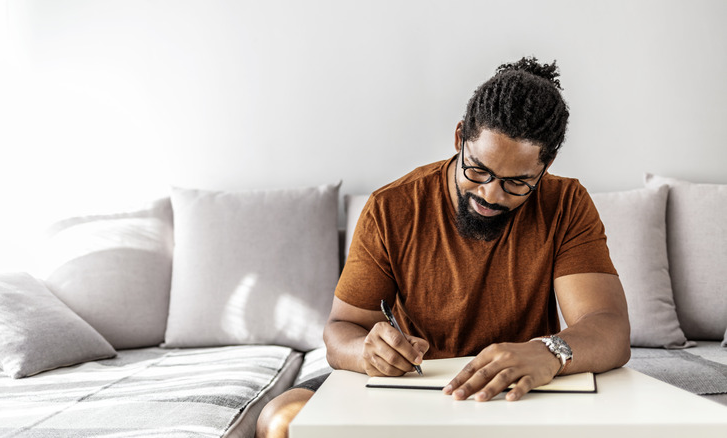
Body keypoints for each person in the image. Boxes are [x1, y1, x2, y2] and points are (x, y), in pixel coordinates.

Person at [255, 56, 631, 438]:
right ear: (459, 138)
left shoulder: (565, 203)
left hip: (519, 393)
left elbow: (610, 328)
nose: (490, 194)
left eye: (517, 182)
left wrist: (549, 352)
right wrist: (366, 351)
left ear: (545, 167)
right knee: (281, 419)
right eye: (478, 169)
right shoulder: (392, 207)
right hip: (413, 388)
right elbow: (341, 330)